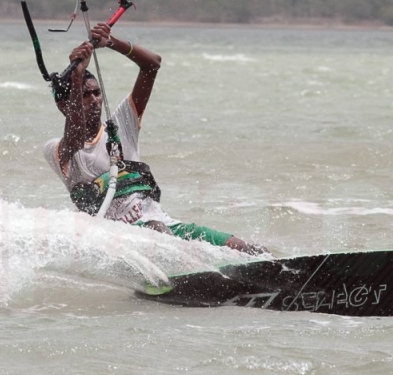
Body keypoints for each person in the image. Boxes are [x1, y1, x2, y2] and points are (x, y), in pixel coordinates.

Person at [43, 21, 266, 254]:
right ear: (63, 106)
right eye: (85, 95)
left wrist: (112, 43)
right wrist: (76, 77)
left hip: (163, 224)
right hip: (119, 240)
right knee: (157, 230)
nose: (95, 100)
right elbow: (75, 138)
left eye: (97, 93)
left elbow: (152, 65)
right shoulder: (55, 150)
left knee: (243, 247)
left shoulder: (121, 124)